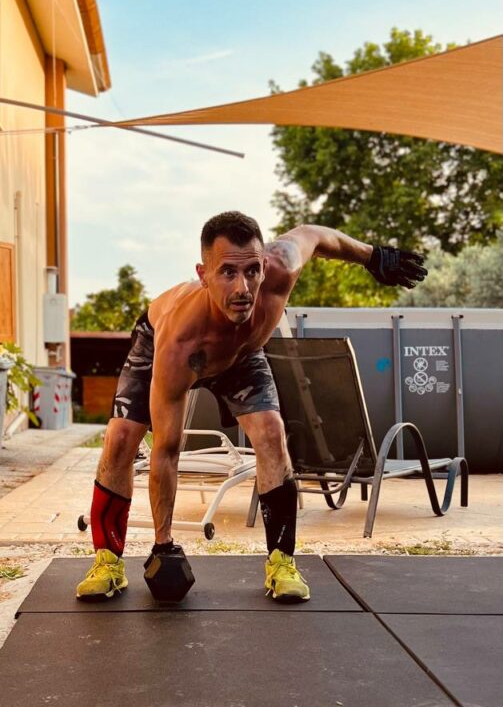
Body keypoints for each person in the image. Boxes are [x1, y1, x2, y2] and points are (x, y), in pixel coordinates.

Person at [76, 211, 426, 602]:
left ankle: (282, 563)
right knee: (121, 439)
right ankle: (107, 562)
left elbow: (315, 235)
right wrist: (164, 545)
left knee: (272, 432)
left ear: (264, 265)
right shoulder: (179, 340)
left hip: (241, 354)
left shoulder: (281, 266)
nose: (243, 288)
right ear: (203, 274)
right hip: (171, 346)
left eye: (252, 271)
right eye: (227, 272)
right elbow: (167, 452)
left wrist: (372, 256)